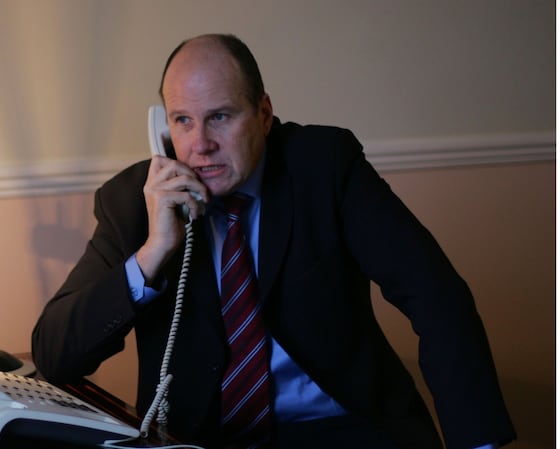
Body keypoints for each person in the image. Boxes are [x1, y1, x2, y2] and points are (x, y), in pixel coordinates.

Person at [31, 34, 515, 449]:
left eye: (220, 116)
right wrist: (152, 255)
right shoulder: (133, 202)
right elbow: (55, 356)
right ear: (163, 128)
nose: (200, 144)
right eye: (182, 120)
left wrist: (478, 442)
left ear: (263, 114)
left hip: (339, 429)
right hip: (202, 439)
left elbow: (437, 297)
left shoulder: (325, 168)